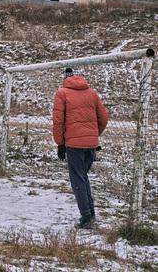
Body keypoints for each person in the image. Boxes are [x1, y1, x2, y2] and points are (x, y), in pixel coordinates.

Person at [52, 68, 108, 229]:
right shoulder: (91, 93)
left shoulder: (62, 93)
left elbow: (58, 121)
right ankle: (90, 212)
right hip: (91, 143)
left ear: (65, 79)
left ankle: (86, 216)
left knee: (77, 179)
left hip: (73, 144)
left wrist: (60, 143)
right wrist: (94, 134)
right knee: (83, 177)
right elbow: (103, 117)